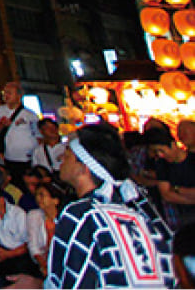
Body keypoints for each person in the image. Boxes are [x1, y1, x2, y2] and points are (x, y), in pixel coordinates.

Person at [21, 123, 175, 288]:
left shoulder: (82, 215)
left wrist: (35, 285)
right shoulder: (135, 212)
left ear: (83, 168)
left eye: (67, 155)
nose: (61, 160)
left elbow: (73, 282)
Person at [0, 82, 39, 185]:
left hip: (27, 158)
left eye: (9, 93)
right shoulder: (0, 111)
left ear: (19, 96)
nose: (6, 95)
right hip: (9, 157)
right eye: (5, 93)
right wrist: (1, 124)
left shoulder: (30, 115)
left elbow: (38, 135)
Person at [25, 179, 72, 275]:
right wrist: (44, 265)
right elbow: (33, 245)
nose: (38, 198)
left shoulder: (65, 219)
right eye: (37, 195)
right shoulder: (33, 215)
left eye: (42, 195)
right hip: (41, 263)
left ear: (55, 200)